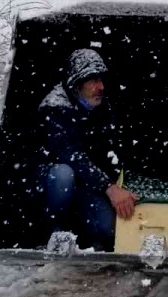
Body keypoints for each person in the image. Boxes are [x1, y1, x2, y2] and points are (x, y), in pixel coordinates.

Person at [37, 48, 139, 252]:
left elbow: (111, 152)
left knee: (109, 228)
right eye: (92, 80)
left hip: (87, 184)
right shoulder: (54, 108)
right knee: (63, 175)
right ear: (76, 83)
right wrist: (110, 188)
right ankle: (49, 233)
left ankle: (86, 237)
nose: (101, 86)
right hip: (46, 187)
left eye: (100, 79)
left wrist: (122, 183)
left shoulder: (101, 108)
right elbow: (71, 156)